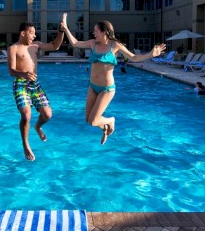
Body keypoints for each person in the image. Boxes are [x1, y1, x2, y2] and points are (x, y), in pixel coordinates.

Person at [60, 13, 165, 145]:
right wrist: (66, 28)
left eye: (96, 31)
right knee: (88, 119)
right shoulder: (93, 44)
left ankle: (110, 121)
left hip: (106, 89)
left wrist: (151, 54)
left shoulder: (114, 45)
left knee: (93, 121)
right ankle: (105, 128)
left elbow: (133, 57)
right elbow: (75, 43)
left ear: (104, 32)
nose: (93, 33)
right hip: (92, 86)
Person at [8, 20, 65, 161]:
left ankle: (38, 127)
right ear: (23, 33)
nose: (34, 36)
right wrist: (24, 74)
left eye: (35, 33)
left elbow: (55, 46)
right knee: (26, 116)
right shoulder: (13, 48)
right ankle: (26, 144)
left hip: (35, 85)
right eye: (31, 33)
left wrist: (61, 31)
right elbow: (11, 70)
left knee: (47, 114)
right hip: (20, 84)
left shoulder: (36, 45)